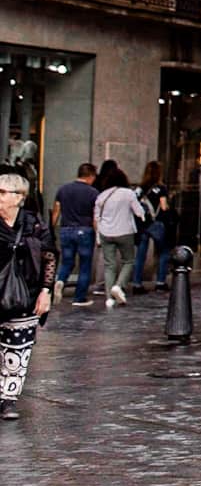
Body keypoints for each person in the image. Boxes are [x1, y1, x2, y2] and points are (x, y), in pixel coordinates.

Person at [0, 172, 56, 421]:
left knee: (17, 351)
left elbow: (49, 257)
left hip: (25, 296)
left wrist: (46, 291)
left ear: (19, 197)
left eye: (2, 193)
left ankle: (8, 400)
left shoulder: (33, 223)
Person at [93, 162, 141, 309]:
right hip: (125, 231)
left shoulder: (102, 195)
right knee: (128, 261)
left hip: (106, 232)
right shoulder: (129, 194)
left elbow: (96, 217)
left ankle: (109, 298)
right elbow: (139, 212)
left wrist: (98, 235)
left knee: (109, 265)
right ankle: (119, 286)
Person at [50, 163, 97, 307]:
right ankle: (79, 298)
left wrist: (52, 229)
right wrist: (98, 232)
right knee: (84, 265)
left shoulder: (63, 189)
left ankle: (61, 281)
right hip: (84, 230)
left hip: (65, 229)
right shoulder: (93, 192)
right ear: (90, 176)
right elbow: (95, 215)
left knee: (67, 261)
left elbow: (56, 211)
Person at [130, 162, 172, 294]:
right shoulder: (161, 188)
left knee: (140, 255)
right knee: (164, 251)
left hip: (142, 224)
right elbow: (164, 207)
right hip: (156, 223)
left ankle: (137, 283)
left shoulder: (139, 188)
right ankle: (160, 282)